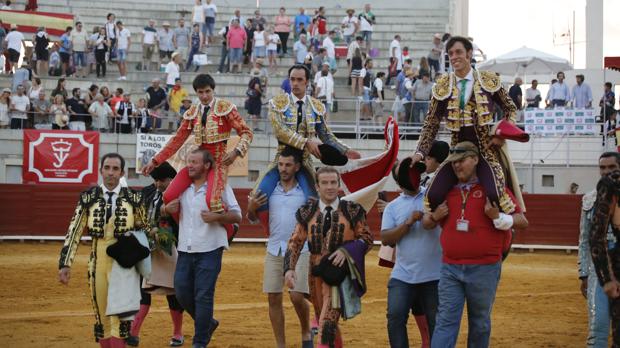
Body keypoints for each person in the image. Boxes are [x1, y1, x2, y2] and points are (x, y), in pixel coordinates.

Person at [422, 141, 528, 348]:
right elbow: (426, 223)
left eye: (461, 161)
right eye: (453, 163)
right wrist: (434, 216)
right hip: (450, 267)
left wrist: (498, 217)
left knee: (479, 323)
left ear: (475, 160)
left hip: (484, 268)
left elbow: (523, 221)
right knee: (445, 321)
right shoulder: (445, 191)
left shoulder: (494, 190)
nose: (457, 166)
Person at [410, 36, 524, 216]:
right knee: (433, 195)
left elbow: (510, 108)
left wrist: (500, 135)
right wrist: (420, 152)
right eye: (451, 54)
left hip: (485, 149)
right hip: (456, 151)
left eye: (458, 52)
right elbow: (431, 123)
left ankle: (502, 233)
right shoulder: (442, 85)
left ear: (469, 54)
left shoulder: (488, 80)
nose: (454, 57)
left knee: (496, 194)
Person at [58, 153, 149, 347]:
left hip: (124, 263)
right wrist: (65, 263)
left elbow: (145, 230)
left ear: (122, 172)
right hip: (97, 261)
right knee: (102, 317)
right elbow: (73, 232)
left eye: (115, 169)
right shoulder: (88, 197)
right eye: (107, 168)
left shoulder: (134, 198)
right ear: (101, 171)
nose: (110, 173)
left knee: (120, 317)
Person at [142, 74, 252, 231]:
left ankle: (228, 232)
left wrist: (235, 152)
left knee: (213, 201)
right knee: (168, 196)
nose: (204, 96)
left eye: (207, 91)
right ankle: (184, 229)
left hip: (218, 162)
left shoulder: (225, 108)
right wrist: (154, 161)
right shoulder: (192, 112)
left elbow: (247, 132)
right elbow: (177, 140)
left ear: (213, 90)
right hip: (198, 163)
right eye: (200, 92)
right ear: (196, 93)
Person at [251, 64, 360, 219]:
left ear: (307, 82)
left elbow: (326, 135)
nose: (295, 83)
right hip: (282, 159)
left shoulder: (316, 106)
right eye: (292, 79)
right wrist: (306, 142)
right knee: (258, 198)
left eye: (299, 80)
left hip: (304, 161)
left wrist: (346, 151)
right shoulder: (277, 103)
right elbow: (280, 131)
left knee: (314, 203)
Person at [284, 166, 373, 348]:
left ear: (339, 185)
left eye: (333, 182)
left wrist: (346, 251)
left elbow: (367, 239)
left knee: (326, 325)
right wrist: (289, 269)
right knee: (324, 319)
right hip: (315, 273)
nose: (330, 187)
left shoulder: (352, 210)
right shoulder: (307, 211)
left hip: (339, 276)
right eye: (325, 183)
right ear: (317, 186)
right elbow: (295, 241)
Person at [163, 149, 240, 348]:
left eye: (195, 162)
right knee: (181, 292)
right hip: (186, 249)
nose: (190, 165)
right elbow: (163, 207)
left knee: (203, 295)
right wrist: (165, 209)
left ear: (207, 165)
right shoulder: (181, 188)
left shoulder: (219, 187)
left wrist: (218, 217)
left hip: (210, 248)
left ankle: (200, 342)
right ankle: (208, 324)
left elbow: (237, 216)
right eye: (189, 161)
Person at [246, 147, 314, 348]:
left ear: (297, 167)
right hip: (274, 248)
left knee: (296, 296)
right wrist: (251, 209)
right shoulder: (269, 190)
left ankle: (305, 330)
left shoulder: (305, 192)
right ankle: (281, 345)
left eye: (288, 165)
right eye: (281, 165)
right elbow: (252, 218)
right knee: (274, 298)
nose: (283, 169)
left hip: (301, 250)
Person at [382, 159, 442, 348]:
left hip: (434, 275)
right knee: (395, 318)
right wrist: (408, 223)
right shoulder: (392, 207)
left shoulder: (433, 197)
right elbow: (386, 239)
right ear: (399, 182)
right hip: (403, 275)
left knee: (437, 324)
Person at [127, 162, 185, 347]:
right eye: (156, 180)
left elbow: (180, 224)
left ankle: (178, 333)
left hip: (170, 248)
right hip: (144, 246)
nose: (159, 184)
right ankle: (133, 333)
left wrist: (163, 233)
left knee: (172, 292)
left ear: (172, 179)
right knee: (141, 289)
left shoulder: (179, 196)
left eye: (163, 180)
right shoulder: (146, 192)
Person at [589, 154, 620, 347]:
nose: (607, 172)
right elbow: (595, 236)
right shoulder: (611, 184)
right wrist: (606, 279)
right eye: (603, 167)